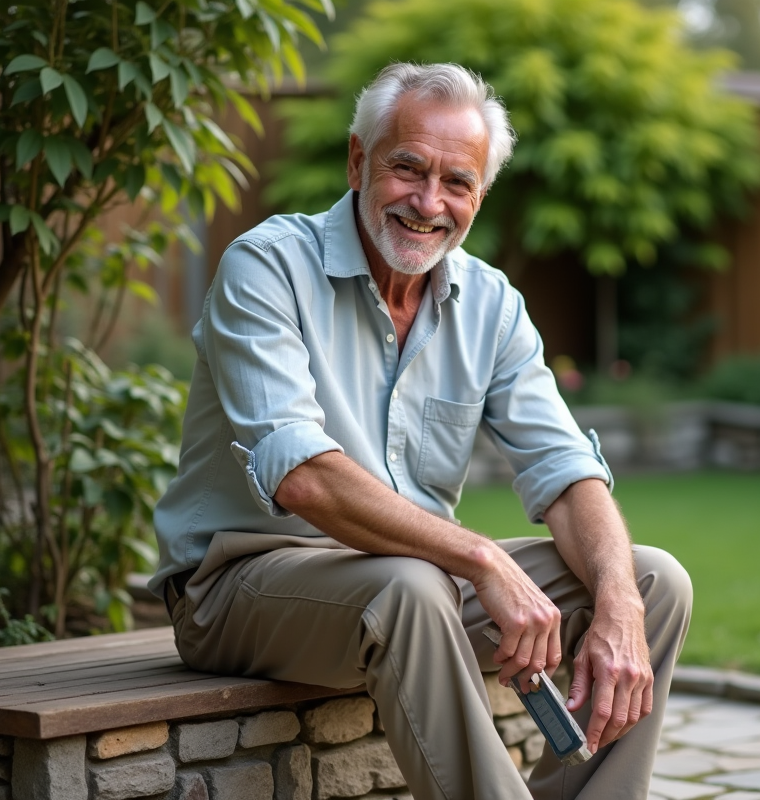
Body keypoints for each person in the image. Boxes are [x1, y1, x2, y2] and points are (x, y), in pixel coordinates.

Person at [151, 62, 692, 800]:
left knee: (652, 581)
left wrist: (619, 605)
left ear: (479, 196)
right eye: (407, 168)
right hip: (237, 588)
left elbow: (566, 470)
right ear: (358, 162)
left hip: (420, 583)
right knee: (409, 589)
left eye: (456, 182)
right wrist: (483, 560)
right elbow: (302, 476)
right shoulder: (267, 266)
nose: (429, 202)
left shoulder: (492, 305)